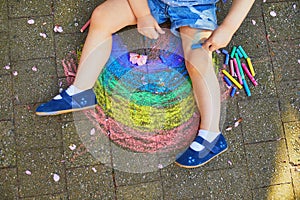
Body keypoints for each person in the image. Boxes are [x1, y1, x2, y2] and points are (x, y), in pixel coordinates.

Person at [36, 0, 254, 168]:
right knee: (102, 16)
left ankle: (211, 135)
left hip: (196, 6)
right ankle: (80, 92)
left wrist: (229, 27)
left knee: (198, 58)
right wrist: (143, 15)